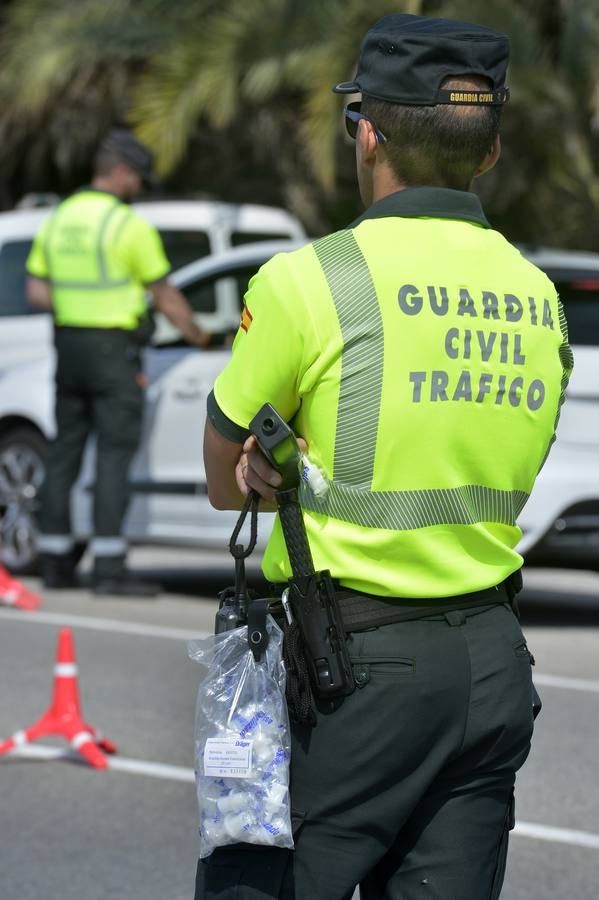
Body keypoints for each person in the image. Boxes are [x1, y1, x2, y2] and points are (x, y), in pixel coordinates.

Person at [200, 12, 573, 900]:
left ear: (365, 132)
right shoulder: (537, 294)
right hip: (489, 663)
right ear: (486, 152)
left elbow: (223, 482)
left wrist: (265, 466)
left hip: (353, 671)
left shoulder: (309, 279)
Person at [26, 129, 211, 596]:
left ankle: (53, 562)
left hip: (68, 347)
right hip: (114, 352)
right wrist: (201, 336)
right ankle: (108, 569)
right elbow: (167, 298)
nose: (139, 188)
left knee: (65, 450)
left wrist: (77, 309)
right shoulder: (128, 227)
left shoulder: (59, 218)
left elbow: (36, 290)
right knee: (112, 454)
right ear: (123, 172)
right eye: (138, 179)